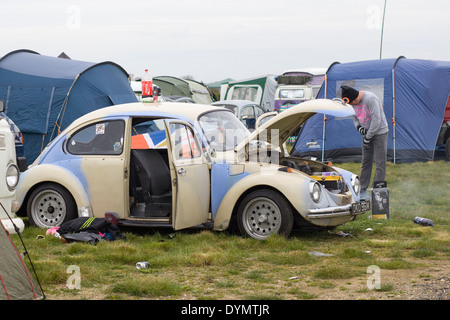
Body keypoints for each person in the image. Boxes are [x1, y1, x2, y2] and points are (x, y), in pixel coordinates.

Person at [341, 85, 389, 200]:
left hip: (379, 132)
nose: (353, 106)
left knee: (379, 162)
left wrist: (368, 137)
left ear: (356, 98)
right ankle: (362, 191)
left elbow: (376, 119)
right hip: (367, 133)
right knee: (366, 162)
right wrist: (359, 128)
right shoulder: (352, 103)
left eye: (353, 103)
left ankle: (377, 190)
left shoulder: (370, 99)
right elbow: (354, 117)